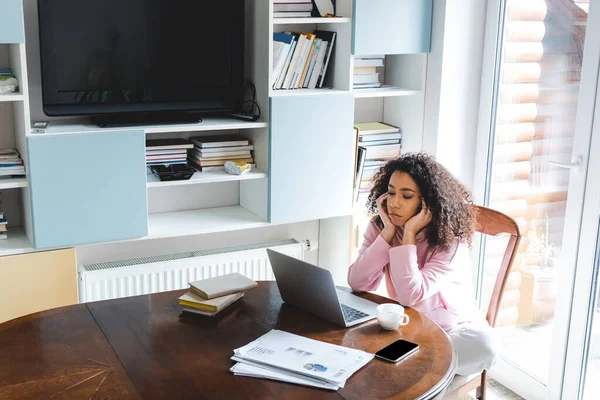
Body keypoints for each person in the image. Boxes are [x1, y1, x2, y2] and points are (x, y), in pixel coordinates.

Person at [348, 153, 499, 376]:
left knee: (484, 344)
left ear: (427, 202)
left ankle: (411, 369)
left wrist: (408, 234)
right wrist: (388, 234)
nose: (394, 203)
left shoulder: (451, 240)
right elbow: (357, 282)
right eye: (390, 192)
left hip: (452, 329)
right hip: (407, 327)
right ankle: (414, 368)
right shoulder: (382, 227)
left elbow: (410, 294)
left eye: (406, 196)